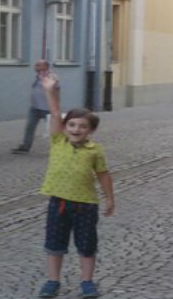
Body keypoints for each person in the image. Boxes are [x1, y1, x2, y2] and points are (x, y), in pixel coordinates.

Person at [36, 73, 114, 299]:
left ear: (91, 131)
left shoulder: (95, 150)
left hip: (86, 206)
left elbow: (103, 174)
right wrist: (50, 91)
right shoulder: (58, 141)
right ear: (64, 126)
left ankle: (87, 282)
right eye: (71, 124)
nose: (75, 129)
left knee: (87, 245)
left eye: (82, 126)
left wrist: (110, 198)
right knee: (54, 244)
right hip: (58, 203)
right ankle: (53, 281)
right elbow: (54, 113)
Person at [13, 60, 55, 154]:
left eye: (39, 65)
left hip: (48, 108)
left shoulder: (51, 77)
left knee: (52, 129)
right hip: (35, 108)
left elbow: (55, 88)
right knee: (29, 127)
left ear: (46, 67)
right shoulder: (38, 77)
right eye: (36, 65)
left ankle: (58, 148)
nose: (36, 67)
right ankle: (25, 147)